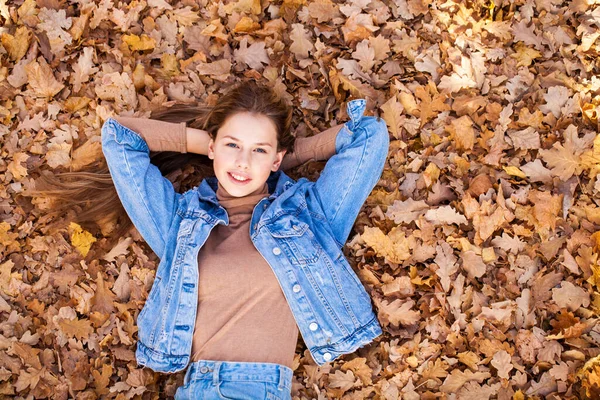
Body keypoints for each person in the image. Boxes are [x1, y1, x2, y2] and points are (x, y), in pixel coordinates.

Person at [47, 81, 389, 399]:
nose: (242, 161)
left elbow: (368, 136)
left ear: (276, 158)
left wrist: (283, 158)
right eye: (232, 145)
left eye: (258, 150)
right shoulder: (180, 223)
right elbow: (119, 136)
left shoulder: (312, 216)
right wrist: (208, 146)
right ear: (213, 146)